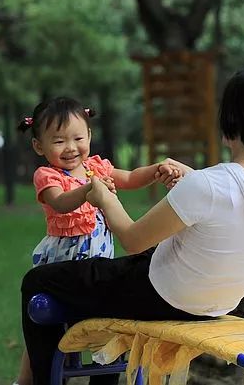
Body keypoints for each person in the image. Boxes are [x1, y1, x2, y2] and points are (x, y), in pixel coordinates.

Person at [20, 64, 244, 385]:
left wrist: (104, 198)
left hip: (164, 294)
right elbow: (234, 200)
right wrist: (193, 179)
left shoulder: (208, 186)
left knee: (36, 281)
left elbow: (132, 239)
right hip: (219, 300)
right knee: (104, 277)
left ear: (230, 119)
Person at [14, 97, 181, 385]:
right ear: (39, 146)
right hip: (64, 268)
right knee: (47, 334)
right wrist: (90, 191)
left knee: (110, 328)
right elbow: (60, 202)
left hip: (97, 268)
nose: (71, 147)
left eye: (78, 137)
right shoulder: (48, 175)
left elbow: (128, 177)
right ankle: (31, 379)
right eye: (58, 141)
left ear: (89, 136)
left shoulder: (96, 168)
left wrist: (155, 170)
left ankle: (103, 378)